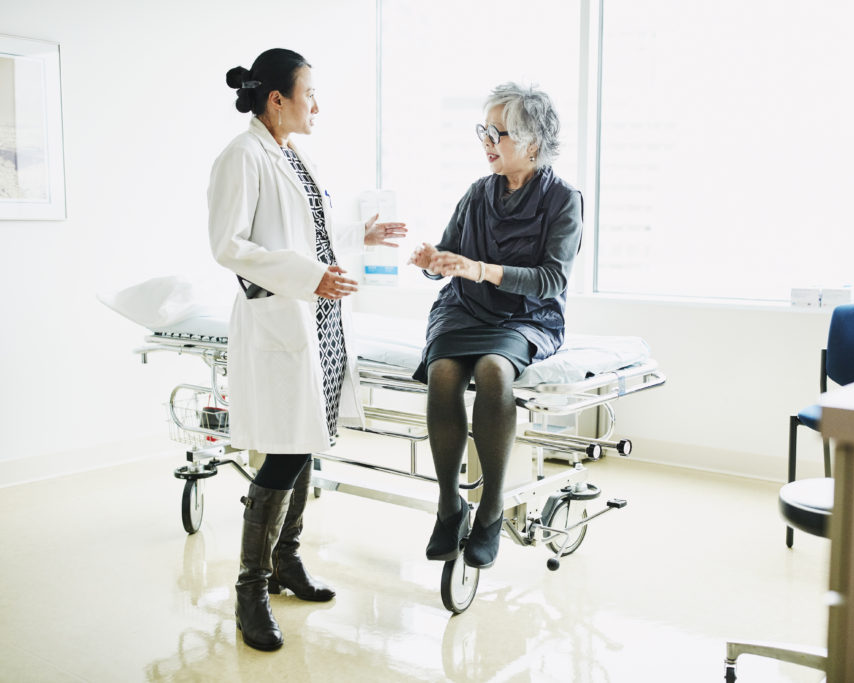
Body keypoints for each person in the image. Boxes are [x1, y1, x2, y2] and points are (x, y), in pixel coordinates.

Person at [208, 48, 407, 651]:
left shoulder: (292, 154)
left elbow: (305, 229)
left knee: (306, 442)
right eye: (309, 93)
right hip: (281, 320)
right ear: (277, 99)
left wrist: (357, 236)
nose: (316, 104)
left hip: (316, 319)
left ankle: (287, 564)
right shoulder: (241, 156)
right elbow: (230, 245)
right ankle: (250, 588)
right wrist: (308, 275)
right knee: (286, 452)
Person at [407, 83, 583, 570]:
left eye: (497, 132)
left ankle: (489, 509)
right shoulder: (478, 193)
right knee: (442, 372)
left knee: (494, 371)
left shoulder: (563, 200)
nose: (486, 141)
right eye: (483, 130)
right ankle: (449, 504)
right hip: (463, 306)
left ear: (531, 141)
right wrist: (432, 262)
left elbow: (552, 279)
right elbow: (448, 257)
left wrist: (480, 268)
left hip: (527, 315)